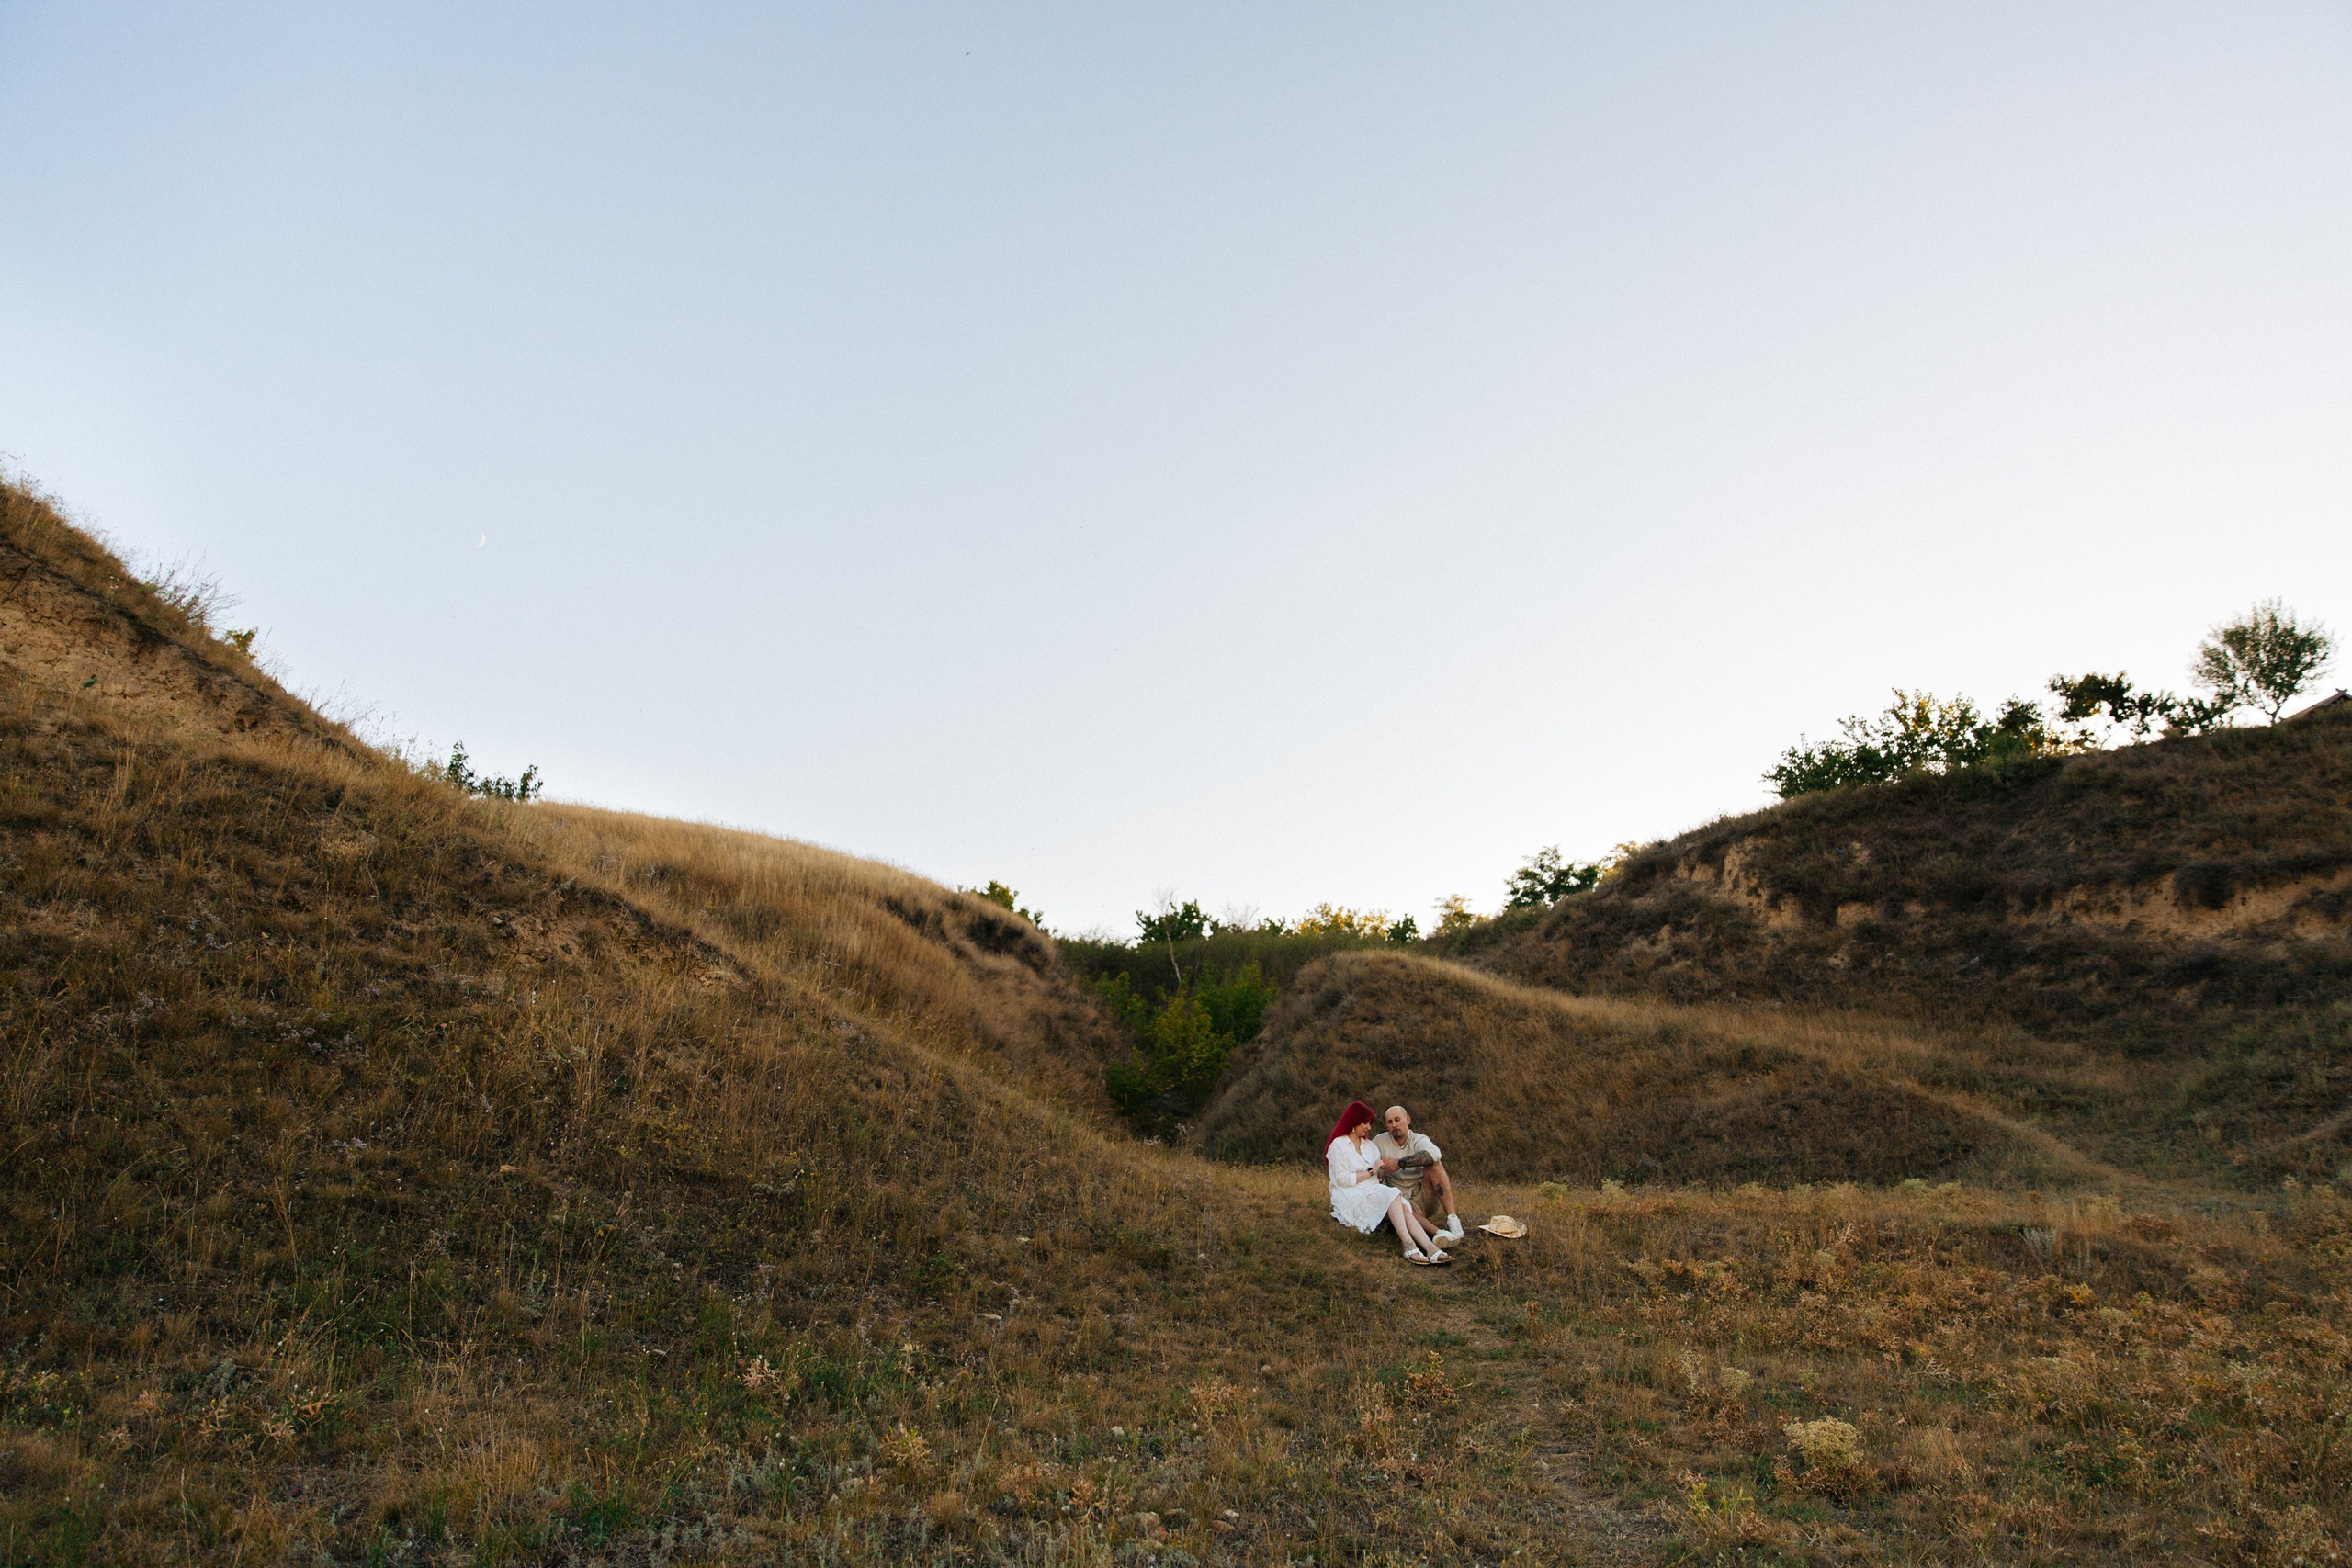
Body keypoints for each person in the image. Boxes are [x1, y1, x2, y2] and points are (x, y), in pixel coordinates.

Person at [1325, 1100, 1450, 1265]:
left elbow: (1378, 1177)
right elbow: (1342, 1180)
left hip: (1371, 1190)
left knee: (1402, 1204)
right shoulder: (1338, 1145)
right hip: (1349, 1194)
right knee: (1391, 1194)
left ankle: (1429, 1247)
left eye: (1369, 1123)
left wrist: (1383, 1170)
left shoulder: (1369, 1146)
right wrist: (1372, 1171)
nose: (1369, 1128)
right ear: (1354, 1122)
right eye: (1365, 1123)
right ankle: (1408, 1244)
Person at [1373, 1104, 1464, 1244]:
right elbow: (1370, 1164)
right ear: (1386, 1125)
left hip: (1424, 1195)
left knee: (1434, 1164)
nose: (1394, 1125)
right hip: (1402, 1199)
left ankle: (1453, 1219)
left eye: (1398, 1120)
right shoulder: (1379, 1141)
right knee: (1401, 1206)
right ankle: (1440, 1234)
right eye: (1390, 1122)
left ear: (1407, 1120)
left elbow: (1434, 1154)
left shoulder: (1418, 1139)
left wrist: (1400, 1163)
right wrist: (1380, 1172)